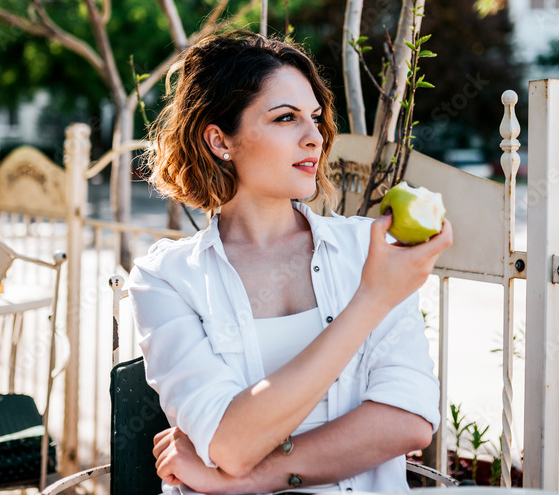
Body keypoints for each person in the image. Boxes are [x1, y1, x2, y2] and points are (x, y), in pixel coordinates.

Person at [129, 31, 453, 495]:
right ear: (220, 140)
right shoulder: (166, 279)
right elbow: (230, 443)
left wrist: (249, 478)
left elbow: (409, 419)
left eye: (315, 118)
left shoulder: (368, 248)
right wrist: (371, 300)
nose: (314, 137)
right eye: (285, 118)